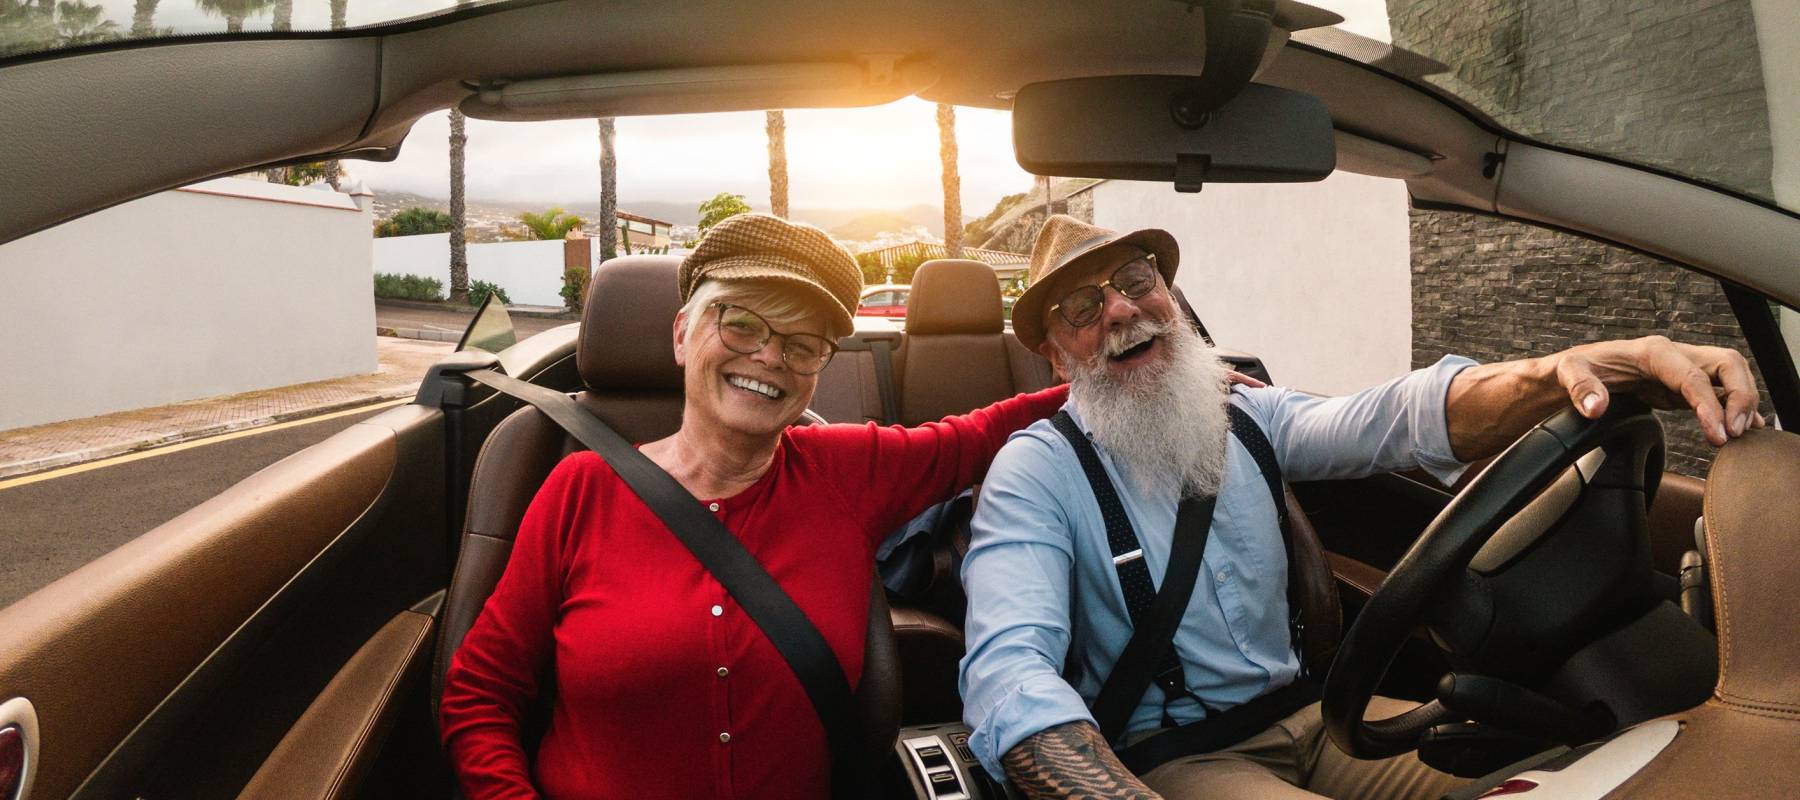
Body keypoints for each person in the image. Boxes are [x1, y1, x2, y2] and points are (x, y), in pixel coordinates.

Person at [958, 215, 1766, 799]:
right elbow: (1008, 676)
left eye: (1137, 282)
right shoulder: (1036, 473)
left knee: (1571, 773)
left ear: (1168, 294)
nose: (1122, 311)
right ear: (1055, 351)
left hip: (1324, 722)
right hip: (1185, 760)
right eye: (1083, 307)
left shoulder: (1246, 415)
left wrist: (1570, 370)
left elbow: (1401, 416)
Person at [440, 213, 1070, 800]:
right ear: (684, 333)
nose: (770, 356)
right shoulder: (580, 489)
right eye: (741, 322)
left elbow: (984, 433)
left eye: (803, 344)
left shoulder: (846, 471)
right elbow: (480, 694)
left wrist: (1129, 359)